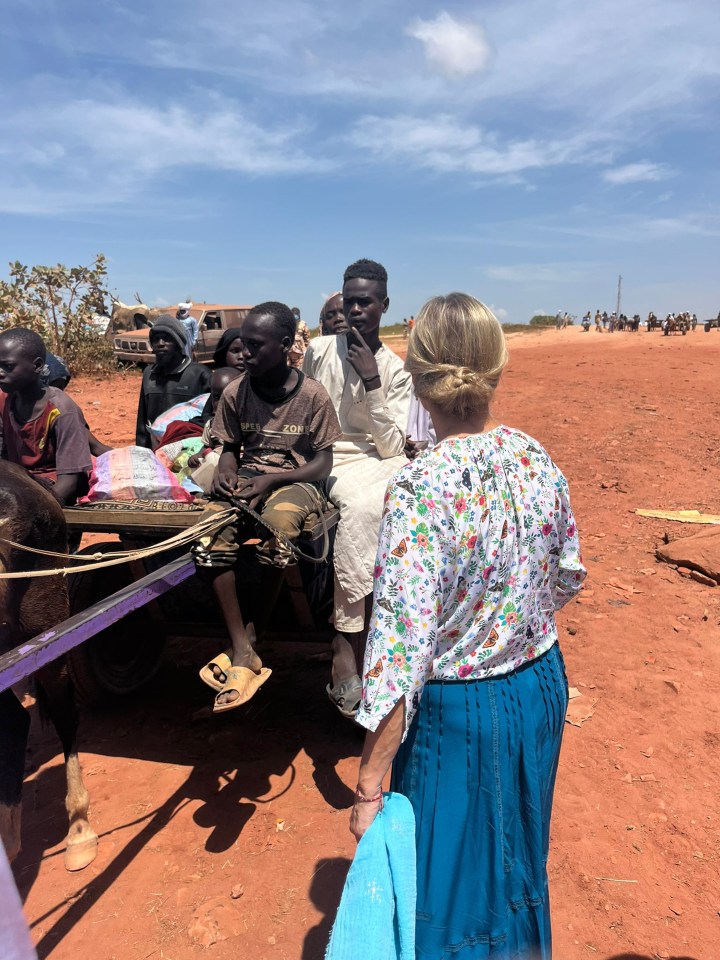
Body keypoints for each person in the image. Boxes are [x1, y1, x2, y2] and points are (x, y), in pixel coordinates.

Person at [349, 293, 586, 958]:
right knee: (517, 855)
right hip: (539, 685)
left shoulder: (421, 488)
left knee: (446, 889)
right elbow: (567, 573)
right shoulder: (533, 455)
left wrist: (370, 788)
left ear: (418, 382)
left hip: (460, 709)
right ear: (498, 369)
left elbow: (398, 656)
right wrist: (509, 621)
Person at [193, 302, 342, 712]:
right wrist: (227, 472)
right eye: (244, 346)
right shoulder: (235, 392)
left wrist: (273, 479)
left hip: (295, 481)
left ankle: (255, 636)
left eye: (258, 346)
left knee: (278, 529)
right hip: (247, 478)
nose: (247, 355)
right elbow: (229, 446)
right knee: (206, 536)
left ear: (286, 345)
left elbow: (323, 463)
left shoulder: (312, 394)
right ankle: (241, 644)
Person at [302, 259, 412, 718]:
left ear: (384, 305)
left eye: (365, 302)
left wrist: (371, 380)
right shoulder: (319, 350)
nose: (356, 311)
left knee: (368, 505)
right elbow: (301, 405)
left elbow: (391, 447)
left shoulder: (395, 370)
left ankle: (345, 638)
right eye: (350, 302)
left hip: (369, 461)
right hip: (319, 454)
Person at [0, 328, 92, 505]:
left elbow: (68, 483)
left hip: (52, 496)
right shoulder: (4, 401)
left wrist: (30, 511)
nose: (0, 372)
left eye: (8, 366)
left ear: (37, 366)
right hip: (17, 488)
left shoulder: (61, 410)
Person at [135, 315, 211, 448]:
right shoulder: (149, 374)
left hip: (188, 449)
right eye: (156, 339)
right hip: (156, 448)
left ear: (179, 343)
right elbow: (142, 421)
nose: (160, 343)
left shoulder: (200, 374)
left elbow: (210, 418)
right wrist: (142, 450)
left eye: (167, 338)